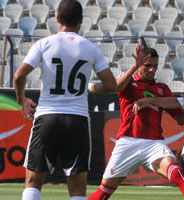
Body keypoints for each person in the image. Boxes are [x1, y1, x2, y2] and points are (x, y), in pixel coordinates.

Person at [13, 1, 117, 200]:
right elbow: (111, 85)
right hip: (77, 120)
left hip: (47, 117)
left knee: (33, 182)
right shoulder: (90, 48)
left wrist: (22, 101)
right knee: (77, 189)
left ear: (58, 19)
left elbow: (19, 76)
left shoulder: (44, 43)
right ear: (81, 21)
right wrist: (93, 87)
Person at [88, 43, 184, 200]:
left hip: (154, 143)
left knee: (176, 172)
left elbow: (180, 119)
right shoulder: (128, 81)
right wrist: (134, 66)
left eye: (155, 66)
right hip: (127, 142)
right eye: (147, 66)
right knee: (103, 192)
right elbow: (115, 87)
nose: (152, 69)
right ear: (139, 64)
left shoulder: (162, 88)